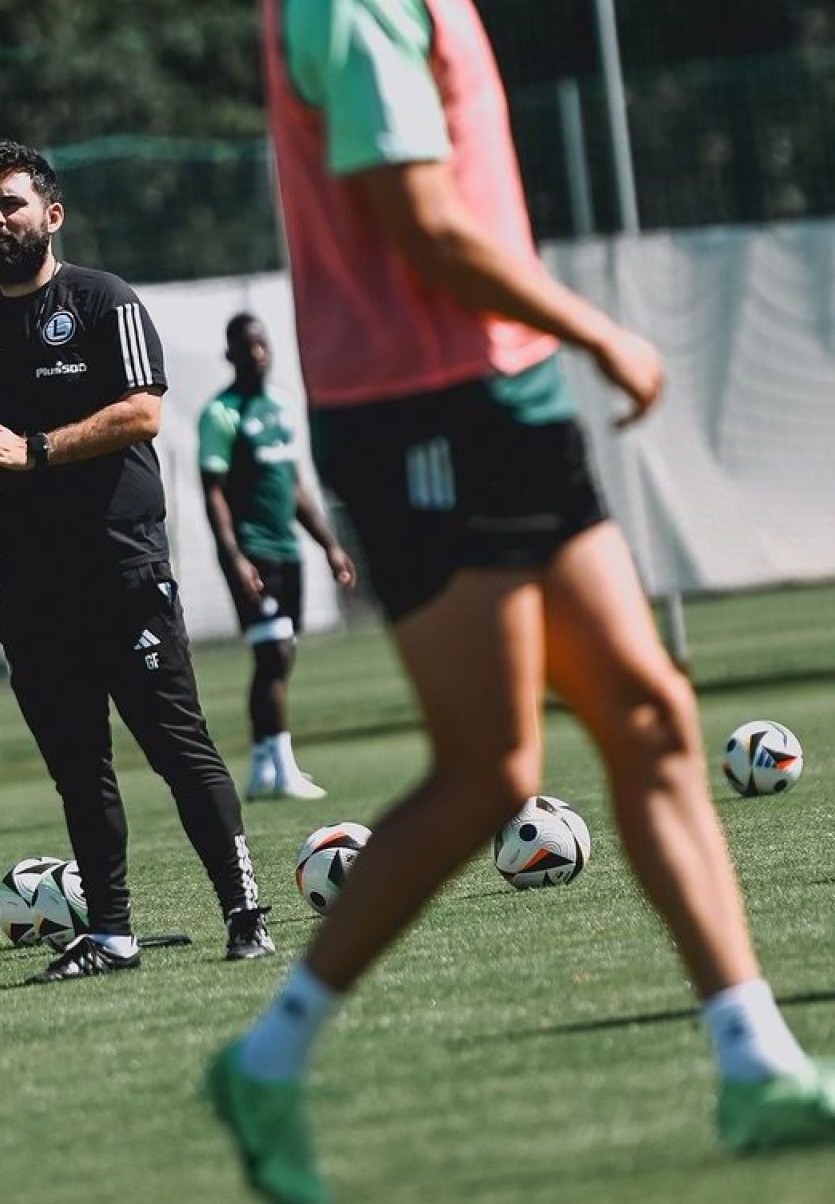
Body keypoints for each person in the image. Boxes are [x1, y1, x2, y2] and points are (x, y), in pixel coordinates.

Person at [203, 2, 835, 1200]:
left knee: (649, 710)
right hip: (426, 412)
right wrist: (600, 330)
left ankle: (756, 1062)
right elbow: (425, 224)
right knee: (491, 766)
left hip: (505, 395)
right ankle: (267, 1061)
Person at [0, 140, 273, 984]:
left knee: (179, 749)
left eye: (11, 203)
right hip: (30, 588)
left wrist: (34, 450)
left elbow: (141, 414)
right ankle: (112, 934)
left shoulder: (103, 301)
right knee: (80, 772)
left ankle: (245, 913)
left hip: (121, 575)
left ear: (51, 215)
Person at [198, 313, 356, 801]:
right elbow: (213, 492)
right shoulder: (221, 413)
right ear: (230, 354)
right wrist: (234, 556)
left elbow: (295, 487)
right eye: (246, 346)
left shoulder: (282, 407)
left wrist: (329, 545)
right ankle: (278, 765)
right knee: (273, 652)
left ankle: (267, 766)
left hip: (287, 551)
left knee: (279, 656)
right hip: (253, 551)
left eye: (262, 343)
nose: (257, 353)